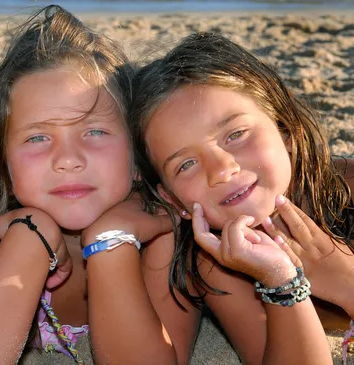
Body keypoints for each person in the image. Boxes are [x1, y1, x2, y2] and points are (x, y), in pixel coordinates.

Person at [0, 5, 198, 365]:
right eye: (38, 137)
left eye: (95, 132)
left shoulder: (161, 232)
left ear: (137, 157)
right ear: (5, 164)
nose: (68, 159)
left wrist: (112, 238)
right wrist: (30, 234)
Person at [131, 32, 351, 364]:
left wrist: (345, 279)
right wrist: (280, 280)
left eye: (235, 134)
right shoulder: (217, 263)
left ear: (286, 130)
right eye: (186, 164)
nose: (221, 170)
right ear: (174, 201)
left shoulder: (347, 187)